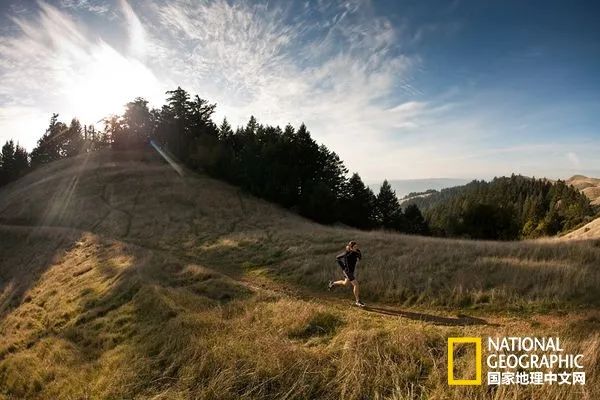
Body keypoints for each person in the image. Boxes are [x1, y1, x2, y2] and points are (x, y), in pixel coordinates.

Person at [328, 241, 365, 307]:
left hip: (351, 271)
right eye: (355, 247)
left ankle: (332, 283)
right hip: (347, 271)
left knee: (345, 283)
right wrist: (343, 267)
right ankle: (357, 301)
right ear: (351, 247)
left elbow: (360, 258)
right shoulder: (347, 253)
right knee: (356, 284)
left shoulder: (356, 252)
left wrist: (359, 254)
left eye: (357, 246)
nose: (356, 248)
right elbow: (337, 258)